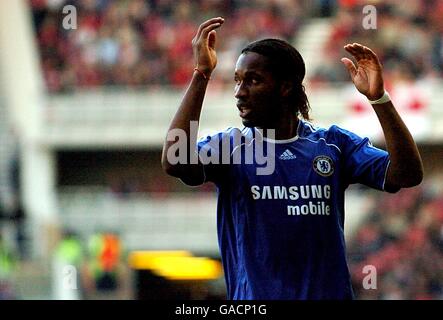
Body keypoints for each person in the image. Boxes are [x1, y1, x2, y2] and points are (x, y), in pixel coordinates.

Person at [161, 17, 424, 299]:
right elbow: (176, 160)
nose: (239, 93)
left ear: (285, 87)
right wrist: (201, 74)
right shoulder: (230, 147)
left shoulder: (334, 145)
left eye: (253, 80)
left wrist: (379, 99)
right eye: (238, 81)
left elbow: (406, 174)